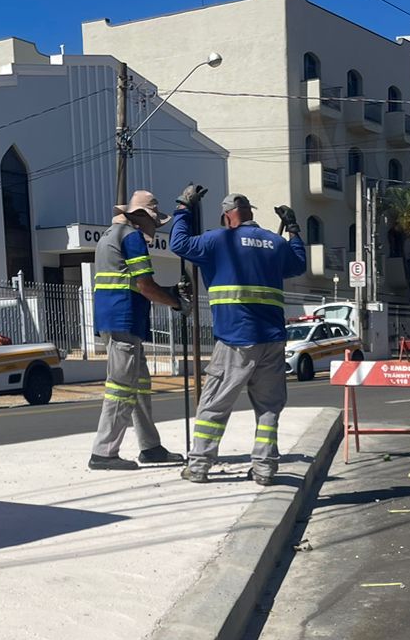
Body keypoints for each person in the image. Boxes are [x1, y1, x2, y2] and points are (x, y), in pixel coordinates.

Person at [169, 186, 306, 485]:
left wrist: (183, 207)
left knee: (213, 405)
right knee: (269, 408)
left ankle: (200, 465)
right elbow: (299, 263)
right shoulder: (274, 242)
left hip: (235, 339)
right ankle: (265, 469)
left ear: (227, 217)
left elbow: (177, 243)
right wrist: (293, 229)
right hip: (272, 339)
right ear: (250, 214)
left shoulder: (218, 240)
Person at [88, 189, 188, 471]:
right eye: (154, 223)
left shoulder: (109, 236)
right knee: (121, 389)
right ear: (141, 217)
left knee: (139, 386)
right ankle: (104, 452)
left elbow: (133, 282)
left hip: (116, 320)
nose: (154, 230)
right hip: (124, 320)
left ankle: (150, 446)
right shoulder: (130, 237)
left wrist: (169, 293)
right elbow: (144, 285)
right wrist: (175, 302)